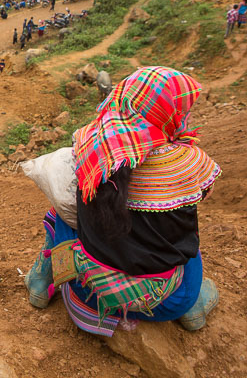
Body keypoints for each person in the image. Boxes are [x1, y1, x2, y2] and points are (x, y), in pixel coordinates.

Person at [25, 67, 221, 335]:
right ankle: (194, 306)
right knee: (190, 238)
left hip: (89, 293)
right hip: (168, 303)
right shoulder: (189, 164)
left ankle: (41, 280)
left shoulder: (89, 147)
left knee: (63, 209)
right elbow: (203, 192)